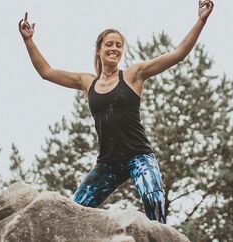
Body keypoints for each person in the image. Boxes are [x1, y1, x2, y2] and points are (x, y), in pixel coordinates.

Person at [18, 0, 214, 224]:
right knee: (74, 209)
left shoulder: (133, 75)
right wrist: (29, 40)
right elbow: (47, 72)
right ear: (99, 50)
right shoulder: (86, 82)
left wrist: (201, 20)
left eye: (119, 45)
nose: (114, 48)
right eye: (109, 44)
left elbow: (178, 54)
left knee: (154, 200)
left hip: (138, 155)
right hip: (108, 163)